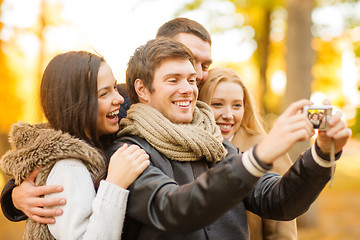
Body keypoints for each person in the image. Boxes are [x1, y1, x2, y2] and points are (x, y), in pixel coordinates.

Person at [105, 37, 351, 239]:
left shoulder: (215, 142)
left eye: (191, 80)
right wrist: (259, 156)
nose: (188, 89)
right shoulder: (128, 150)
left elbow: (279, 201)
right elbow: (175, 209)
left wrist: (321, 153)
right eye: (173, 80)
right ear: (142, 89)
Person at [0, 16, 214, 226]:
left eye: (204, 65)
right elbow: (60, 137)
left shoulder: (218, 100)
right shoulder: (123, 100)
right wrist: (13, 196)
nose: (197, 72)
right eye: (190, 59)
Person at [0, 51, 150, 239]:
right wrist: (115, 184)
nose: (119, 98)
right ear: (77, 104)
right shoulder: (69, 166)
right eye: (104, 93)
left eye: (114, 87)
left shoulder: (87, 148)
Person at [198, 67, 297, 239]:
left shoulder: (265, 148)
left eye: (237, 105)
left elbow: (282, 225)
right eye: (217, 104)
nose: (228, 115)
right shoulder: (189, 146)